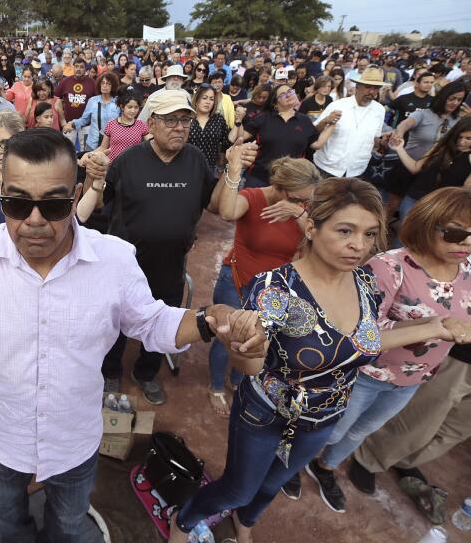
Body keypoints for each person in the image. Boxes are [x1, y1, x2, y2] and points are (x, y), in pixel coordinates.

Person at [0, 127, 265, 543]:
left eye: (53, 205)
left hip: (74, 438)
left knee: (68, 525)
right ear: (1, 200)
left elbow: (153, 324)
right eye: (19, 204)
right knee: (6, 518)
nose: (34, 221)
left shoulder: (113, 260)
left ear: (75, 197)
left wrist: (212, 319)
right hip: (2, 436)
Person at [169, 178, 469, 543]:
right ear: (311, 226)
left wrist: (434, 326)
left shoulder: (364, 283)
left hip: (325, 416)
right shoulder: (275, 289)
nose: (358, 246)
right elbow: (250, 368)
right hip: (265, 414)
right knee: (237, 489)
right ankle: (184, 521)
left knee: (275, 482)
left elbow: (364, 342)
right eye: (345, 231)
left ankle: (245, 522)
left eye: (370, 234)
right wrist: (243, 349)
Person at [283, 187, 471, 512]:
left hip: (411, 379)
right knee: (330, 428)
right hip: (365, 373)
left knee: (361, 431)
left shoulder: (467, 269)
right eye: (456, 233)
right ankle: (288, 462)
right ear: (429, 224)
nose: (466, 243)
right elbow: (360, 330)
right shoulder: (390, 267)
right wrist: (432, 325)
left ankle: (324, 468)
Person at [77, 90, 259, 405]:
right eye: (171, 120)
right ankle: (110, 372)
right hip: (125, 267)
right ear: (151, 123)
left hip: (172, 264)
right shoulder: (128, 160)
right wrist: (94, 174)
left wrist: (232, 169)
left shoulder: (196, 160)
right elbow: (98, 204)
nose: (180, 127)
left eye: (185, 120)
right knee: (117, 322)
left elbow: (215, 206)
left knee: (163, 320)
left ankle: (146, 374)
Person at [209, 157, 320, 415]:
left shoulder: (303, 207)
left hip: (272, 290)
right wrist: (233, 172)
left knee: (256, 341)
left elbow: (316, 241)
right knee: (227, 338)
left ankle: (237, 381)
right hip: (238, 280)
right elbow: (226, 212)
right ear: (278, 187)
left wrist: (299, 213)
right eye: (295, 198)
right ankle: (215, 385)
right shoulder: (254, 198)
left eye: (306, 199)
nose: (301, 202)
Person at [352, 341, 471, 524]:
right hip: (465, 353)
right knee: (423, 414)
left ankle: (403, 460)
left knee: (456, 429)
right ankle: (370, 457)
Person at [231, 83, 336, 187]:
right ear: (275, 103)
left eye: (290, 91)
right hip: (260, 177)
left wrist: (333, 123)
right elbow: (241, 137)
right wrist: (239, 120)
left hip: (290, 181)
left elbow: (317, 144)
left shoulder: (304, 120)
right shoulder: (264, 118)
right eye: (283, 94)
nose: (289, 95)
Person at [312, 67, 388, 179]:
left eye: (376, 88)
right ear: (357, 86)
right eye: (367, 87)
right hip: (326, 169)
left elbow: (374, 140)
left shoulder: (379, 110)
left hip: (356, 172)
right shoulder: (338, 105)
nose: (371, 92)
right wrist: (325, 121)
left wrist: (383, 142)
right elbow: (314, 133)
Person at [390, 117, 471, 218]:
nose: (462, 142)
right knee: (405, 231)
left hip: (439, 207)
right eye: (459, 137)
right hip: (414, 198)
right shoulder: (441, 147)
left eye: (468, 138)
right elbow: (415, 168)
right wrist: (399, 148)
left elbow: (465, 191)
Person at [63, 72, 120, 153]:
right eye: (103, 83)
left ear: (113, 86)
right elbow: (84, 119)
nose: (105, 86)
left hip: (112, 144)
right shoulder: (92, 100)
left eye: (108, 84)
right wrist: (72, 124)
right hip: (93, 143)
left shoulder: (117, 102)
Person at [187, 84, 231, 174]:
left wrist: (221, 165)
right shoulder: (186, 118)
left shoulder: (219, 119)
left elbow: (225, 143)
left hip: (210, 170)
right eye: (204, 98)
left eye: (211, 99)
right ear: (197, 100)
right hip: (187, 168)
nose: (208, 102)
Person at [93, 91, 149, 162]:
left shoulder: (141, 125)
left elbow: (152, 144)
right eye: (130, 107)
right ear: (122, 107)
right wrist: (90, 154)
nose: (133, 111)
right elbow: (103, 147)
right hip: (113, 165)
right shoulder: (111, 124)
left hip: (133, 165)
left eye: (136, 107)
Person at [55, 58, 97, 151]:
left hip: (86, 125)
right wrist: (63, 121)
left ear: (86, 70)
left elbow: (97, 102)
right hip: (69, 124)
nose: (78, 69)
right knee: (66, 151)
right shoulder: (65, 82)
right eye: (76, 66)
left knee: (86, 151)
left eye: (81, 67)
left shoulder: (92, 83)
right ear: (73, 68)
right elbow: (56, 100)